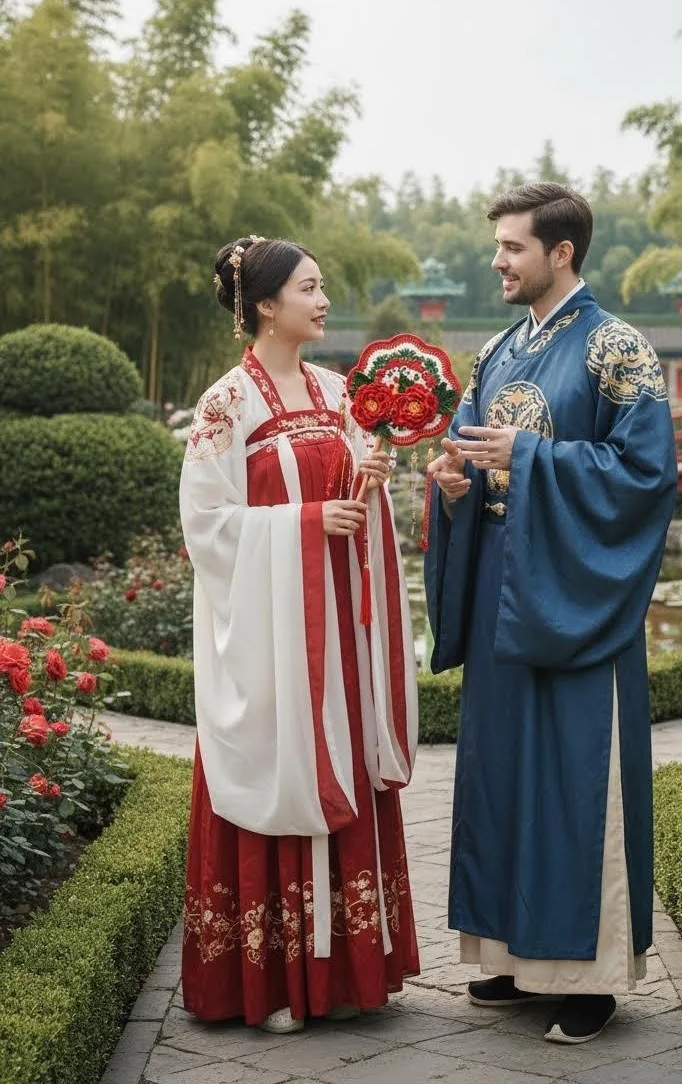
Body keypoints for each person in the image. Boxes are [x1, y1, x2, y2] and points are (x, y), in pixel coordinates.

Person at [424, 184, 677, 1045]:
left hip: (575, 590)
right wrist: (453, 483)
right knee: (501, 772)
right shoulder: (496, 349)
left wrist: (529, 455)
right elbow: (465, 449)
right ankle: (508, 953)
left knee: (576, 778)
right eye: (498, 245)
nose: (497, 260)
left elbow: (646, 477)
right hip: (504, 582)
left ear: (561, 252)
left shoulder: (618, 348)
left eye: (512, 247)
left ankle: (589, 976)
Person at [179, 237, 420, 1033]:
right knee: (282, 764)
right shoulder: (225, 406)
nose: (324, 302)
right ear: (266, 305)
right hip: (275, 640)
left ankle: (349, 975)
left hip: (333, 637)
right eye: (310, 289)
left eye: (323, 287)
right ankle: (273, 981)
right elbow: (206, 528)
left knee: (339, 759)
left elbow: (345, 498)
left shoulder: (336, 387)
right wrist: (310, 521)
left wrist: (367, 487)